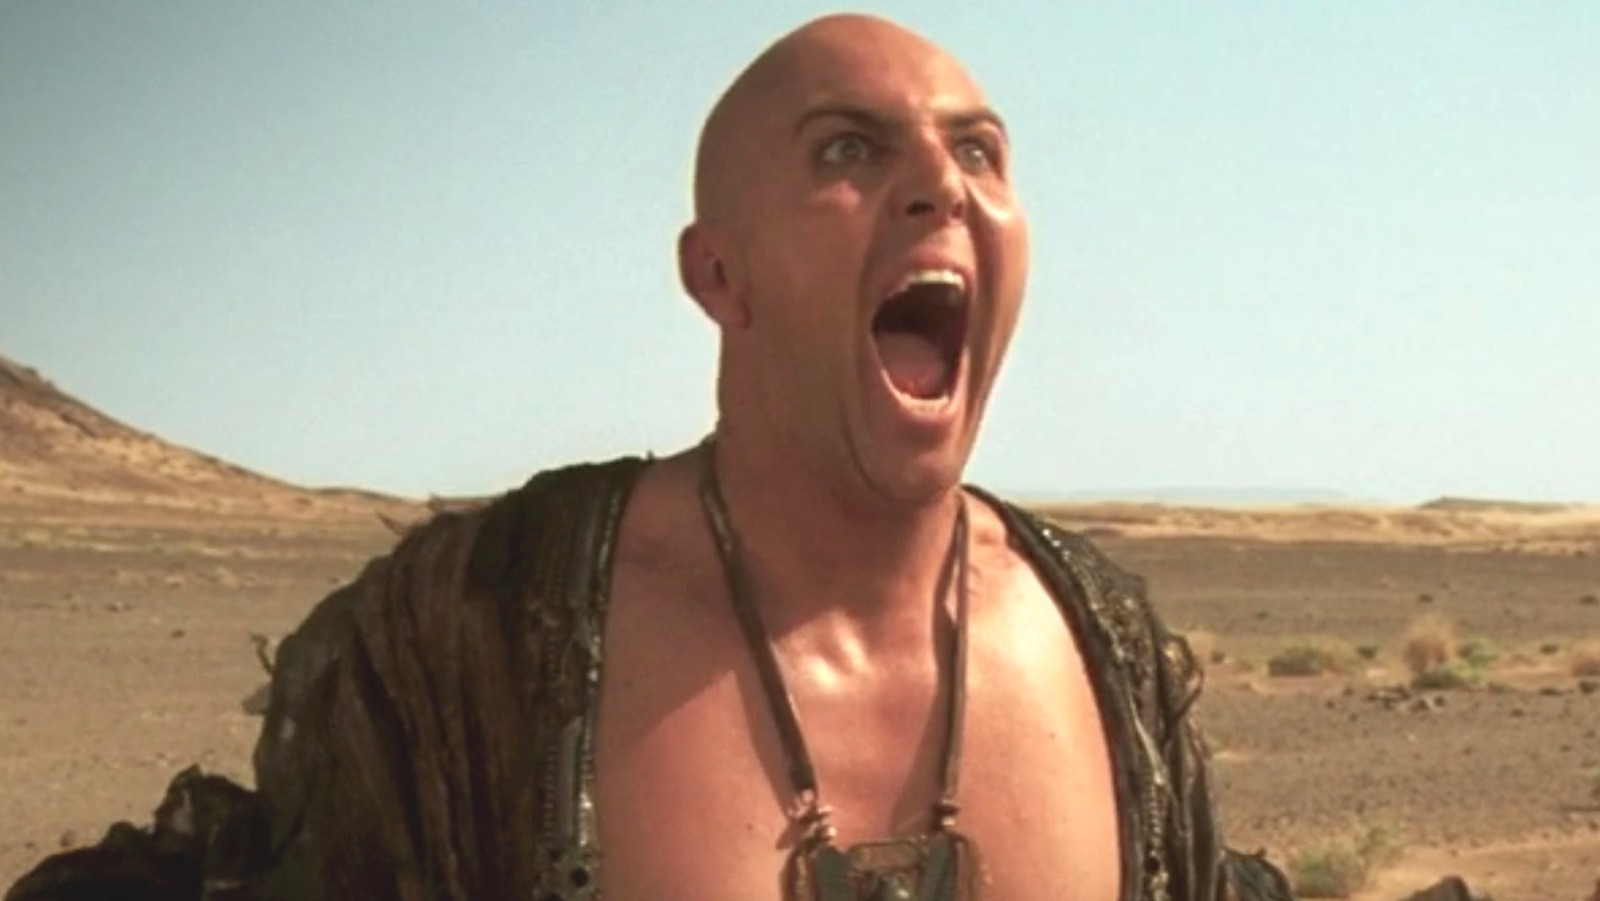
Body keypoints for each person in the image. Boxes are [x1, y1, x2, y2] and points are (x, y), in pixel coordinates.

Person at [6, 13, 1293, 901]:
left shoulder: (1102, 647)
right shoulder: (486, 629)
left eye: (977, 150)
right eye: (848, 149)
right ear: (717, 274)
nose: (938, 185)